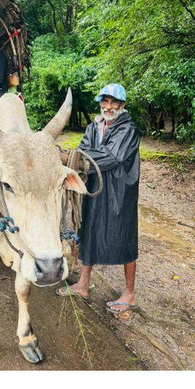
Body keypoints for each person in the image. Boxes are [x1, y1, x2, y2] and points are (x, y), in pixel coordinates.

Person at [55, 83, 141, 316]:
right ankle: (83, 284)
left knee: (125, 236)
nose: (108, 106)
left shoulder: (128, 128)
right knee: (89, 230)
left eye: (114, 102)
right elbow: (83, 149)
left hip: (119, 191)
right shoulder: (95, 126)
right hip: (94, 187)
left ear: (122, 105)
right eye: (105, 101)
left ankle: (130, 293)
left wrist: (73, 159)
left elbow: (112, 156)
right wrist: (67, 157)